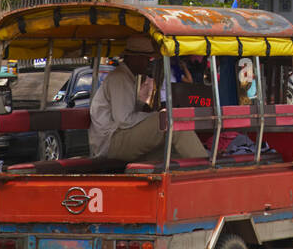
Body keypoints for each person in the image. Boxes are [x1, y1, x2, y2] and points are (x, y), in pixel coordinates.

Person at [89, 34, 207, 163]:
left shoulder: (126, 77)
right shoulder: (120, 78)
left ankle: (197, 171)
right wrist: (155, 115)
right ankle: (206, 168)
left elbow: (125, 106)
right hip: (111, 143)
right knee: (171, 120)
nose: (148, 63)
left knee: (171, 152)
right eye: (146, 59)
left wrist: (142, 106)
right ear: (135, 58)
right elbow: (124, 120)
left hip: (116, 140)